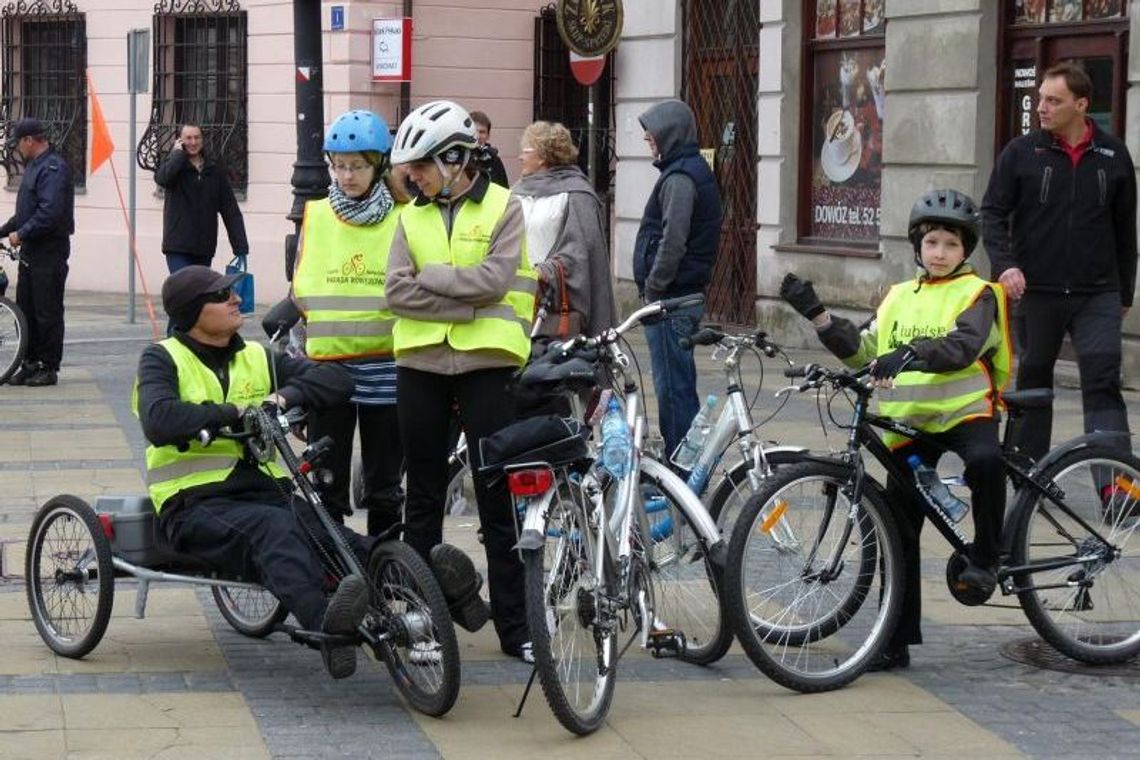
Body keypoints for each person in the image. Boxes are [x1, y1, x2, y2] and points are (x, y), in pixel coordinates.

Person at [781, 189, 1013, 671]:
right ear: (918, 247)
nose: (941, 253)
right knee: (899, 531)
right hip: (908, 428)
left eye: (951, 244)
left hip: (966, 415)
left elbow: (962, 346)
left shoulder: (980, 294)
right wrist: (819, 316)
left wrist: (910, 353)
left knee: (987, 462)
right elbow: (865, 351)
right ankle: (896, 640)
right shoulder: (896, 298)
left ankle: (988, 556)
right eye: (932, 243)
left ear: (965, 250)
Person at [133, 265, 372, 679]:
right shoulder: (162, 358)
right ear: (193, 312)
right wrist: (233, 413)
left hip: (263, 489)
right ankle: (327, 627)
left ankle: (432, 584)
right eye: (221, 294)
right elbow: (159, 418)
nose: (234, 299)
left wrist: (282, 397)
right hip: (193, 501)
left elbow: (336, 378)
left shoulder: (258, 357)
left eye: (231, 291)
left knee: (332, 533)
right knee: (275, 530)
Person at [387, 100, 537, 661]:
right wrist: (462, 302)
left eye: (421, 167)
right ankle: (420, 624)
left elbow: (497, 280)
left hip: (488, 367)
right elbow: (396, 291)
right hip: (421, 366)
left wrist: (435, 279)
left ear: (454, 158)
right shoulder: (409, 215)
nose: (412, 178)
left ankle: (516, 629)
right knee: (420, 499)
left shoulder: (505, 206)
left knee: (497, 497)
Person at [981, 61, 1136, 464]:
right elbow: (992, 214)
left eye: (1054, 100)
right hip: (1035, 291)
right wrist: (1005, 266)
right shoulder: (1021, 152)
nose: (1041, 107)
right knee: (1034, 381)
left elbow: (1125, 229)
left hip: (1097, 291)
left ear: (1081, 104)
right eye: (1041, 98)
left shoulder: (1113, 155)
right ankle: (1028, 475)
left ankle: (1117, 486)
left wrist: (1125, 292)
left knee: (1102, 382)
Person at [291, 110, 405, 537]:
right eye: (339, 166)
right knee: (327, 482)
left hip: (385, 368)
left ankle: (386, 568)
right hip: (329, 369)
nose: (346, 175)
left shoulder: (402, 216)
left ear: (379, 167)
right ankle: (336, 574)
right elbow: (301, 284)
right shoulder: (316, 214)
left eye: (357, 166)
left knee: (384, 485)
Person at [633, 99, 722, 458]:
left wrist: (654, 288)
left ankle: (682, 471)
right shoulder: (683, 171)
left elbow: (673, 241)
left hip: (671, 301)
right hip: (676, 297)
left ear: (668, 133)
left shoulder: (681, 177)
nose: (647, 140)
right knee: (677, 387)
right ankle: (685, 467)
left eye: (651, 133)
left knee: (674, 391)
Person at [511, 120, 617, 338]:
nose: (520, 157)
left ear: (542, 156)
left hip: (554, 305)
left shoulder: (577, 194)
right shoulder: (516, 192)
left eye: (525, 151)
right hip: (515, 296)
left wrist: (545, 273)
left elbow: (581, 253)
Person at [0, 118, 75, 387]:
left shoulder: (53, 168)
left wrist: (20, 234)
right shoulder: (35, 167)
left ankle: (48, 365)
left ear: (29, 140)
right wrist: (5, 230)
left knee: (47, 310)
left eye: (18, 143)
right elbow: (25, 213)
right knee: (27, 308)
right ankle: (29, 362)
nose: (17, 149)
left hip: (49, 250)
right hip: (32, 251)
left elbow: (49, 213)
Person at [154, 123, 249, 273]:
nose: (193, 142)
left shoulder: (214, 170)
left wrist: (240, 248)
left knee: (199, 294)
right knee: (184, 290)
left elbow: (231, 211)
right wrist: (178, 155)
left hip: (204, 247)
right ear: (180, 140)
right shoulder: (174, 165)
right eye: (188, 138)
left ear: (202, 140)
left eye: (197, 137)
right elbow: (162, 179)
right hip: (178, 246)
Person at [469, 110, 510, 188]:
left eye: (482, 132)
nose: (478, 136)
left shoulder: (494, 160)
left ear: (488, 135)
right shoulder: (459, 158)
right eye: (474, 131)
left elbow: (504, 189)